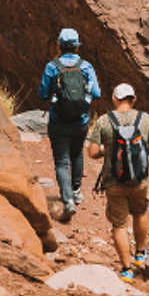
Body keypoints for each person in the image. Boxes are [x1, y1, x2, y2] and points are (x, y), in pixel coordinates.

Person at [87, 83, 149, 278]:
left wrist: (108, 150)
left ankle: (127, 270)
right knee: (140, 213)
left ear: (114, 99)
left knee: (119, 225)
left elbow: (92, 152)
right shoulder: (145, 119)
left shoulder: (103, 121)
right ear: (133, 100)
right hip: (140, 180)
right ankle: (140, 254)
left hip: (114, 181)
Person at [38, 28, 99, 218]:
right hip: (81, 120)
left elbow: (43, 94)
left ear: (59, 45)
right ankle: (76, 191)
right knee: (77, 153)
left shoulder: (52, 67)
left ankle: (68, 200)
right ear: (77, 46)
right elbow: (96, 93)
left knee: (61, 161)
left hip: (58, 120)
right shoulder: (86, 66)